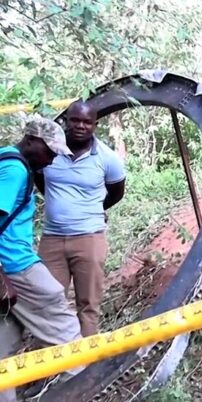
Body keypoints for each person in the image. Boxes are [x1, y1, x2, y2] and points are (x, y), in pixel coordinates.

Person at [0, 117, 84, 402]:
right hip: (16, 267)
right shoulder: (15, 170)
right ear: (32, 141)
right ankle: (89, 389)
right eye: (50, 152)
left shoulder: (6, 159)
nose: (50, 160)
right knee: (68, 332)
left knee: (4, 345)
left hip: (11, 267)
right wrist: (2, 276)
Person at [35, 100, 126, 337]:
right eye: (75, 120)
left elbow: (117, 191)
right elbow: (39, 179)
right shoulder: (48, 149)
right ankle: (54, 366)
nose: (81, 126)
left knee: (88, 305)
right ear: (66, 120)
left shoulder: (107, 158)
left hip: (89, 239)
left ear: (95, 125)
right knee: (49, 302)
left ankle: (85, 368)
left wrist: (95, 207)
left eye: (87, 122)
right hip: (52, 240)